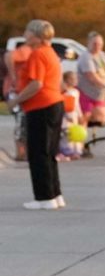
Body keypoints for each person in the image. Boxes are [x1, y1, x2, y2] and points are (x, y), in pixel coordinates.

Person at [9, 20, 65, 209]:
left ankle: (44, 197)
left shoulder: (37, 54)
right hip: (54, 104)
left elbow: (36, 84)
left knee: (38, 153)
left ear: (35, 35)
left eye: (27, 31)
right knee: (49, 153)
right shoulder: (50, 53)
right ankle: (55, 194)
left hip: (41, 107)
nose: (24, 34)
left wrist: (16, 100)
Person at [77, 31, 105, 127]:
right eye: (95, 44)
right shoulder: (86, 57)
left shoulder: (103, 55)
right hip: (86, 93)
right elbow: (91, 76)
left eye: (100, 44)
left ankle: (92, 139)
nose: (97, 46)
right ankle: (80, 140)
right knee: (85, 118)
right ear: (88, 43)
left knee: (102, 118)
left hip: (99, 95)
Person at [58, 70, 85, 160]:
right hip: (65, 117)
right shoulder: (64, 92)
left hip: (74, 116)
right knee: (66, 134)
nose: (75, 80)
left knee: (74, 134)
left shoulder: (76, 92)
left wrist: (80, 115)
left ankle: (76, 151)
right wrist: (66, 116)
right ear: (66, 80)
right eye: (72, 79)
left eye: (76, 78)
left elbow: (77, 105)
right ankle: (65, 151)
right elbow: (63, 106)